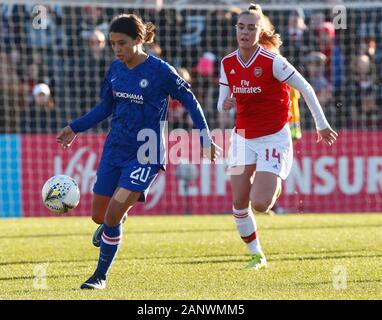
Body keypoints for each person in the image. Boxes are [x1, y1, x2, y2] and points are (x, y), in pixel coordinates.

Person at [56, 13, 221, 289]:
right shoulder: (115, 70)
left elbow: (190, 101)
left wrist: (205, 137)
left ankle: (100, 276)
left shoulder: (161, 71)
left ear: (139, 40)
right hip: (115, 147)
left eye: (122, 43)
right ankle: (113, 224)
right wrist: (75, 127)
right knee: (100, 215)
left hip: (147, 151)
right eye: (113, 44)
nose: (117, 49)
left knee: (112, 215)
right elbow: (105, 107)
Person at [217, 3, 337, 270]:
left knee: (259, 203)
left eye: (251, 28)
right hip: (243, 136)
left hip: (274, 136)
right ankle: (256, 254)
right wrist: (225, 105)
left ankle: (274, 184)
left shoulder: (274, 61)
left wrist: (321, 124)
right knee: (238, 201)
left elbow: (305, 87)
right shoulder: (227, 63)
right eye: (241, 27)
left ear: (260, 32)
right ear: (236, 29)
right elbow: (221, 101)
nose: (245, 32)